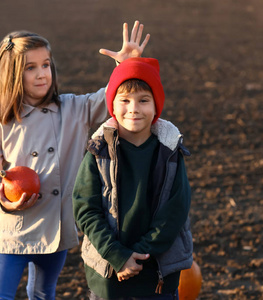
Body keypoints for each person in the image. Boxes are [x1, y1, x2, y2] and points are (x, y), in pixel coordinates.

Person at [0, 21, 151, 300]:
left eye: (46, 65)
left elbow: (109, 99)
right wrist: (4, 201)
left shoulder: (72, 109)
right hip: (12, 232)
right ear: (11, 75)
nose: (42, 74)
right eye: (30, 68)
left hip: (54, 228)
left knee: (44, 293)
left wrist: (124, 68)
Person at [73, 57, 194, 300]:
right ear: (113, 106)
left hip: (157, 276)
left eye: (143, 100)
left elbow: (175, 212)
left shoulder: (169, 153)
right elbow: (85, 209)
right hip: (109, 274)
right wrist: (118, 256)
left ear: (156, 105)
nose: (134, 108)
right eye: (125, 100)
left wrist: (139, 255)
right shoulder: (98, 152)